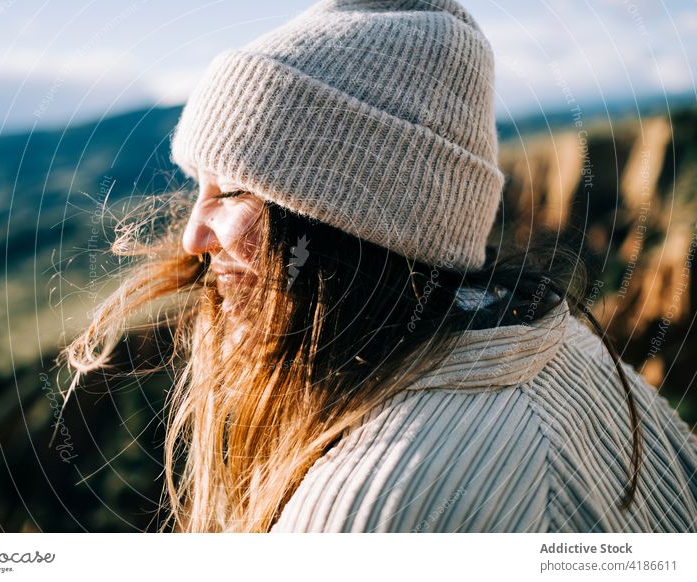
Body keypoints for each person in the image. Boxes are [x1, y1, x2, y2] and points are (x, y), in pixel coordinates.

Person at [64, 0, 697, 532]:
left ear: (349, 221)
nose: (193, 236)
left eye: (230, 191)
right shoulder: (563, 350)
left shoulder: (372, 508)